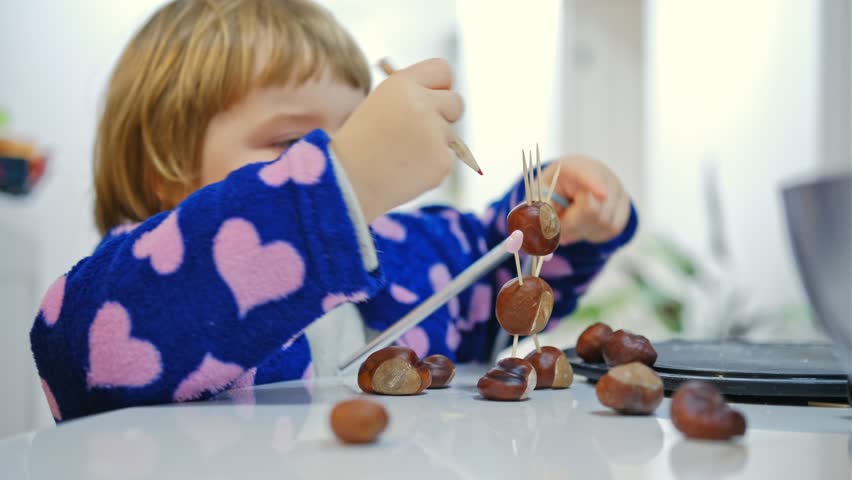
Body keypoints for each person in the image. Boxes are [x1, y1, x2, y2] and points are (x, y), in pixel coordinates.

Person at [30, 0, 637, 422]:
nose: (337, 160)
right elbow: (83, 351)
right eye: (295, 145)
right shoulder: (134, 288)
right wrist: (342, 178)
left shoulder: (401, 248)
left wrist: (558, 213)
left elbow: (493, 276)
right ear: (164, 172)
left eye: (353, 134)